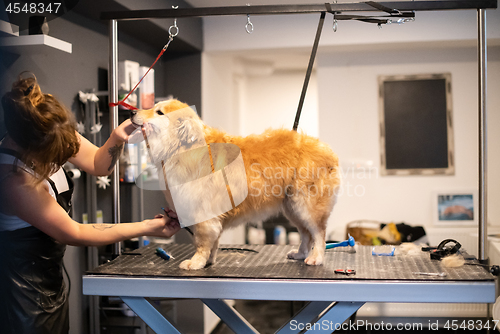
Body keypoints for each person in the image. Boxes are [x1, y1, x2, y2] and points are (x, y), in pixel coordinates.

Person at [0, 73, 181, 334]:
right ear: (32, 149)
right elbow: (76, 232)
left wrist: (118, 137)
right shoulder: (13, 181)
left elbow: (98, 164)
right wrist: (146, 227)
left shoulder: (51, 129)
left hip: (51, 281)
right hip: (23, 296)